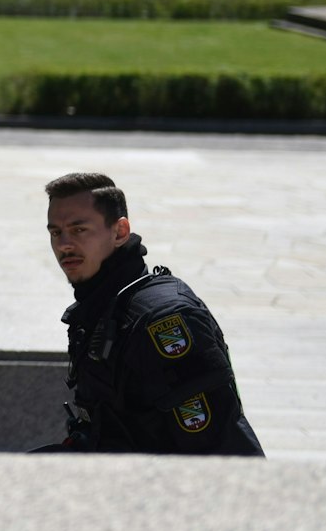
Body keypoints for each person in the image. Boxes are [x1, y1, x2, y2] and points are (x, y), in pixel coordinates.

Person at [37, 172, 262, 456]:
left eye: (79, 230)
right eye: (56, 232)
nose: (64, 245)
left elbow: (216, 449)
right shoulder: (104, 303)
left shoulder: (161, 320)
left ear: (119, 232)